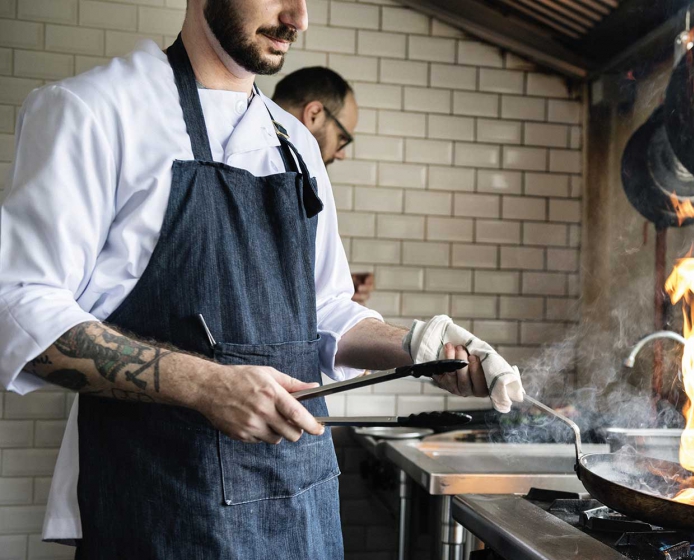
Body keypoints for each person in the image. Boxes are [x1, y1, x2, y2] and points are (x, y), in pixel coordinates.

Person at [0, 0, 525, 558]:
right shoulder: (93, 110)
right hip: (163, 507)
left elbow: (322, 309)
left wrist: (418, 345)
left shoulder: (295, 145)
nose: (298, 19)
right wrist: (205, 386)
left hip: (300, 506)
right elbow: (19, 309)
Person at [271, 66, 375, 304]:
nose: (341, 154)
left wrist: (331, 288)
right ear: (314, 114)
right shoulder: (274, 174)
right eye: (342, 138)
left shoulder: (303, 179)